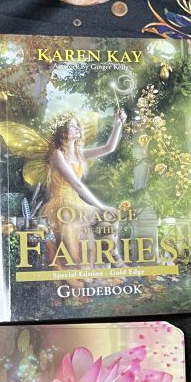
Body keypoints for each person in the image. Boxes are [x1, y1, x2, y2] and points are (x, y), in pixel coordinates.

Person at [40, 110, 126, 267]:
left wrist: (118, 125)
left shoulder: (79, 154)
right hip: (61, 203)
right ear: (62, 132)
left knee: (110, 218)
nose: (77, 128)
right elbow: (77, 185)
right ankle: (111, 257)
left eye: (77, 125)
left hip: (75, 201)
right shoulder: (57, 154)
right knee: (106, 214)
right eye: (72, 126)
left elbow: (108, 148)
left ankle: (109, 257)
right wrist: (100, 206)